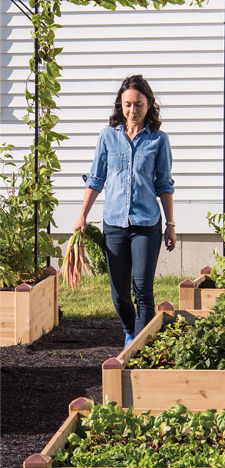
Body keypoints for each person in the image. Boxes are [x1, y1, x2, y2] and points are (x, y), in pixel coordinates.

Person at [73, 75, 176, 347]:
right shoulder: (108, 137)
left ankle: (139, 346)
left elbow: (164, 184)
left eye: (139, 105)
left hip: (146, 225)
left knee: (143, 291)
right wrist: (82, 215)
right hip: (115, 225)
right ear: (121, 104)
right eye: (128, 104)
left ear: (149, 104)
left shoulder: (158, 140)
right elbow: (96, 179)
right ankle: (130, 330)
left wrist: (170, 224)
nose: (133, 111)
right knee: (119, 295)